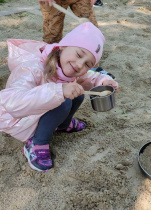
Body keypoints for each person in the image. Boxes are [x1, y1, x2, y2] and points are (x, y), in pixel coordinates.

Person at [0, 22, 118, 172]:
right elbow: (11, 102)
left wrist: (104, 81)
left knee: (77, 95)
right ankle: (37, 143)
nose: (80, 65)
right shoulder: (32, 68)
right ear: (63, 46)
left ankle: (62, 125)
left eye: (88, 64)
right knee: (63, 102)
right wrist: (59, 91)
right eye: (79, 54)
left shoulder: (69, 67)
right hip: (17, 119)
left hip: (37, 112)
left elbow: (91, 76)